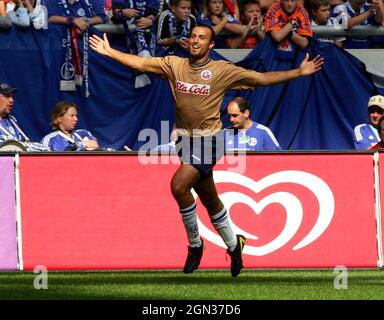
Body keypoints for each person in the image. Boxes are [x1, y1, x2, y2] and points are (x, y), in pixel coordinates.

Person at [89, 24, 323, 277]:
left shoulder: (221, 70)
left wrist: (298, 72)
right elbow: (140, 64)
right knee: (210, 199)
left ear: (211, 45)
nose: (195, 41)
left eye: (202, 38)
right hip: (185, 141)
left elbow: (261, 79)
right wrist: (110, 51)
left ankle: (195, 245)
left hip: (209, 141)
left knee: (178, 186)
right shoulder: (174, 65)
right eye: (193, 36)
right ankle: (235, 245)